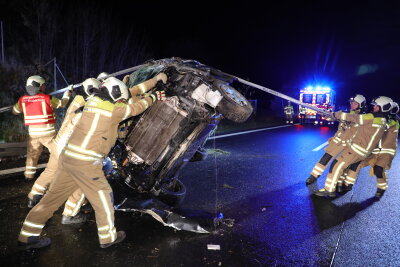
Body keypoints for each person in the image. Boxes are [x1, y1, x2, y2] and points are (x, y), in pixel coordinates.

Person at [17, 74, 167, 250]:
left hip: (68, 159)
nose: (121, 101)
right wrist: (155, 96)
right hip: (86, 163)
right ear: (114, 94)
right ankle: (108, 237)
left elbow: (129, 94)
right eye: (120, 98)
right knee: (104, 197)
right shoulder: (114, 111)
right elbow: (137, 107)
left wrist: (154, 80)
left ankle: (27, 237)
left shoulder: (91, 102)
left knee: (51, 199)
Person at [27, 78, 101, 226]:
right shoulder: (87, 109)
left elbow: (64, 105)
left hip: (56, 144)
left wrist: (68, 92)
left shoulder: (77, 101)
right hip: (64, 149)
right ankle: (70, 213)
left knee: (51, 172)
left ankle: (33, 196)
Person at [313, 96, 391, 198]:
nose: (374, 107)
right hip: (364, 152)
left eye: (377, 106)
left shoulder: (372, 117)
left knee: (336, 166)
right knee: (352, 167)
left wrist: (335, 114)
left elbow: (354, 118)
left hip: (356, 149)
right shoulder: (383, 120)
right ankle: (345, 186)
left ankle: (329, 190)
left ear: (383, 107)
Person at [12, 75, 71, 179]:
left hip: (33, 134)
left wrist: (16, 106)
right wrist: (67, 94)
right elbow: (62, 104)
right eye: (43, 85)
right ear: (38, 86)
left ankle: (29, 176)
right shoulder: (48, 98)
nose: (45, 87)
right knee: (57, 152)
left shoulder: (22, 100)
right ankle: (60, 172)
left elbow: (15, 111)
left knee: (32, 155)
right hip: (48, 134)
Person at [340, 101, 398, 198]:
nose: (375, 107)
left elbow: (383, 125)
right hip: (374, 150)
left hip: (386, 151)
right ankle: (348, 185)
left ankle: (382, 188)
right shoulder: (380, 118)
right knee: (356, 163)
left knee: (378, 169)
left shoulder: (394, 122)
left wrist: (369, 120)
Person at [306, 94, 366, 185]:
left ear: (360, 105)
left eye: (355, 103)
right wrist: (325, 114)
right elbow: (332, 116)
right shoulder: (344, 113)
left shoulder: (362, 118)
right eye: (351, 103)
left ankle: (342, 182)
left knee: (344, 164)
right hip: (337, 142)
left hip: (350, 146)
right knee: (325, 158)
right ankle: (313, 175)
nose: (352, 105)